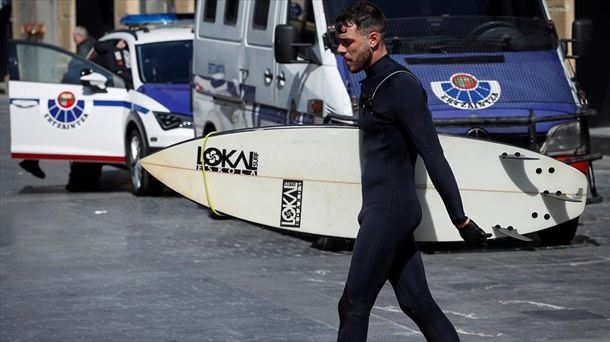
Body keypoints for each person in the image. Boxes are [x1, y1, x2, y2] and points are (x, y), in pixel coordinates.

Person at [334, 2, 492, 341]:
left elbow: (433, 155)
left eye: (348, 42)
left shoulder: (401, 85)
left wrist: (460, 219)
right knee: (417, 302)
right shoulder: (370, 83)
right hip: (380, 210)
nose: (340, 49)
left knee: (353, 305)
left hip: (391, 212)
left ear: (373, 39)